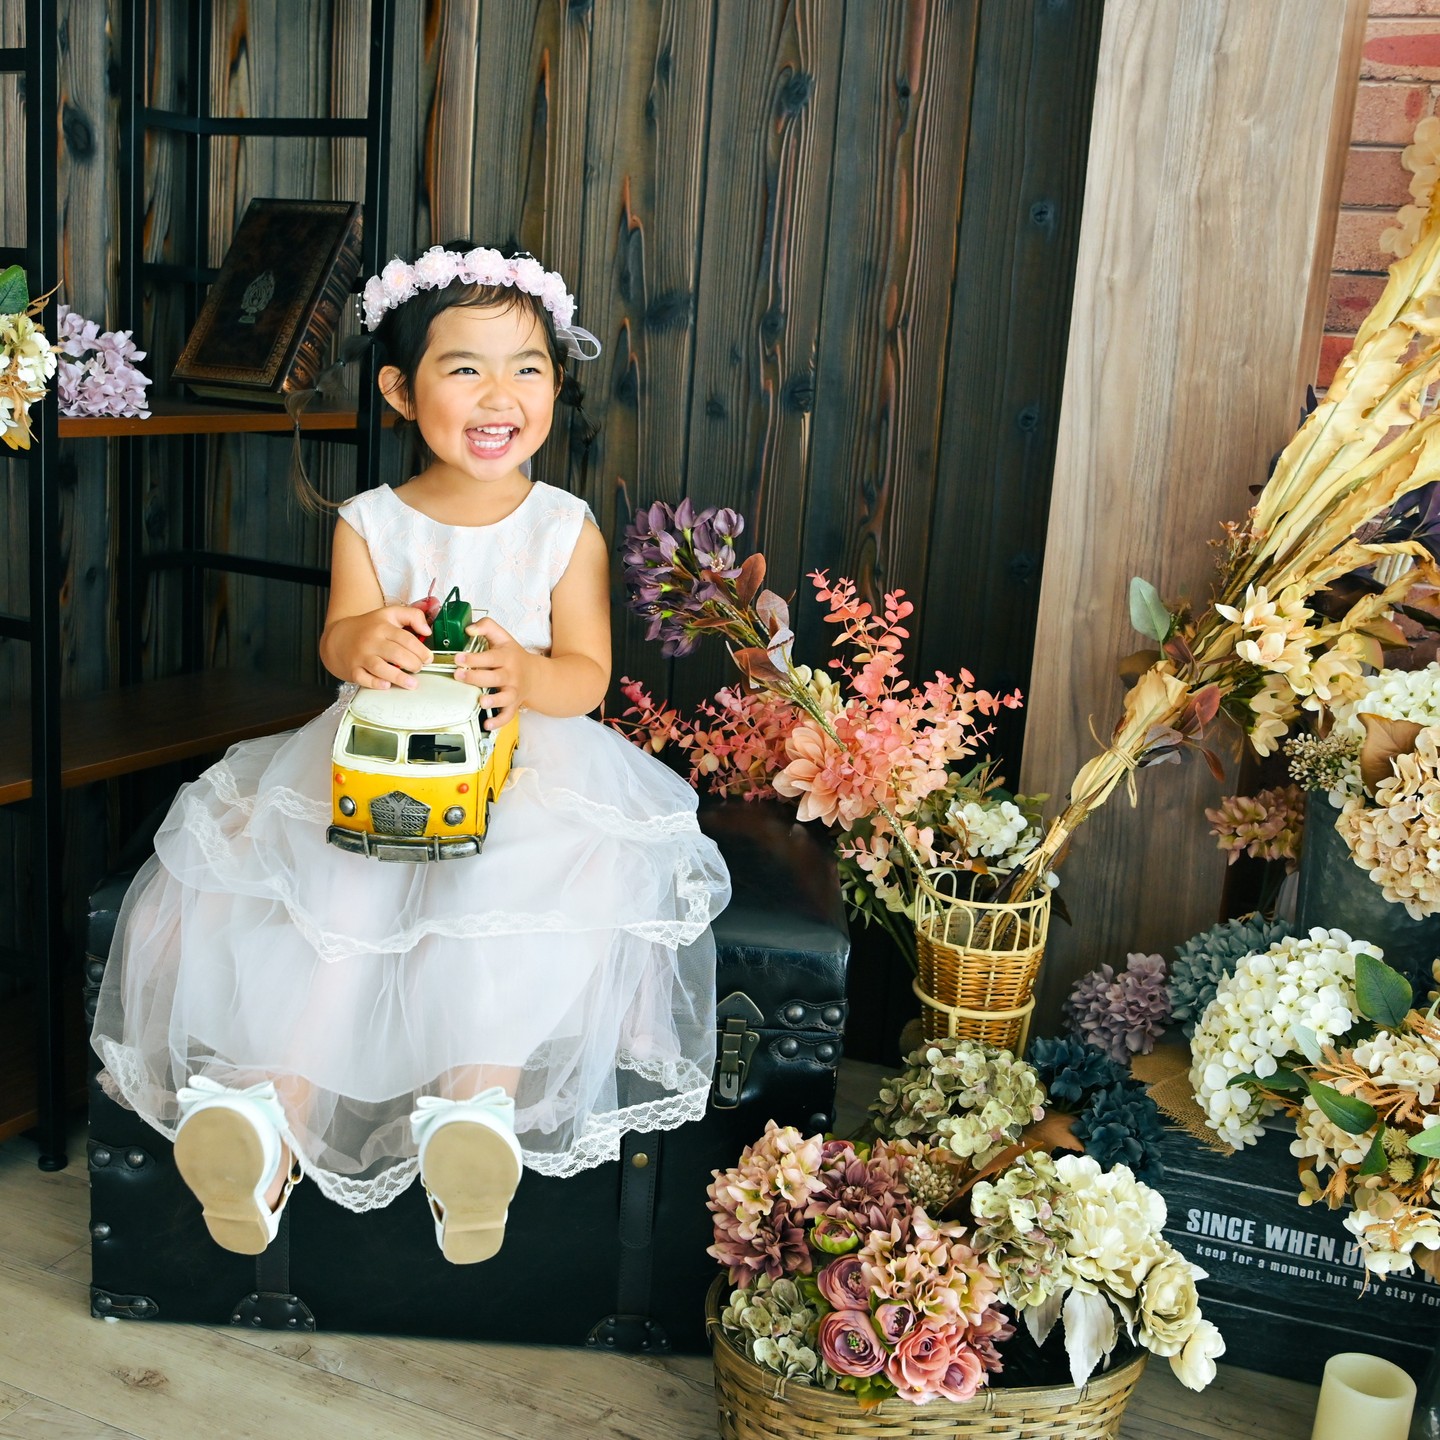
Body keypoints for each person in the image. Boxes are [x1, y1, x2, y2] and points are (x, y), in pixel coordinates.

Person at [91, 242, 731, 1264]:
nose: (500, 394)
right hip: (381, 766)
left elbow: (587, 675)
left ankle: (472, 1123)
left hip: (527, 771)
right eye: (463, 366)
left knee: (495, 907)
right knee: (331, 905)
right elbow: (339, 643)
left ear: (558, 388)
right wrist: (369, 639)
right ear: (399, 390)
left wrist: (525, 670)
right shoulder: (371, 521)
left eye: (527, 368)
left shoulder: (564, 529)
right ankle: (264, 1123)